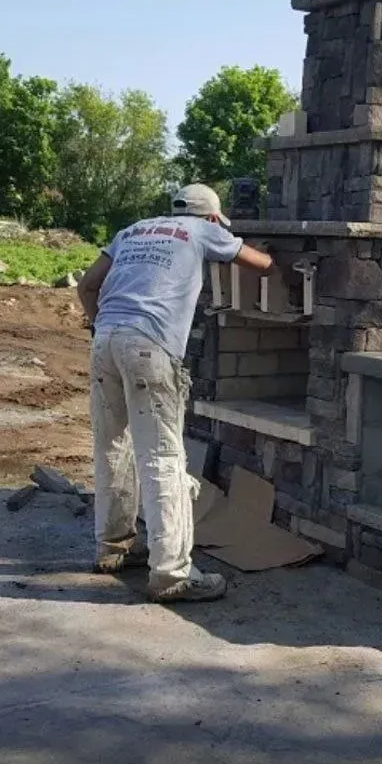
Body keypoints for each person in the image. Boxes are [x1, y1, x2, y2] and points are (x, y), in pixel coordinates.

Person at [75, 184, 276, 602]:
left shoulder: (133, 230)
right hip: (149, 346)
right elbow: (264, 265)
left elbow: (87, 286)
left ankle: (113, 548)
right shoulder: (202, 230)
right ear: (210, 217)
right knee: (163, 456)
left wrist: (100, 326)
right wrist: (274, 253)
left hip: (106, 339)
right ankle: (171, 574)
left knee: (112, 446)